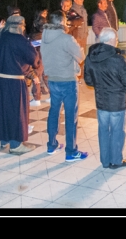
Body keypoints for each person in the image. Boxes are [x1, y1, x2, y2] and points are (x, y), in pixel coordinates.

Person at [41, 10, 89, 162]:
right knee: (70, 116)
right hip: (68, 80)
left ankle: (51, 144)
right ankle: (71, 151)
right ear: (62, 22)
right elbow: (81, 57)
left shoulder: (44, 37)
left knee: (54, 111)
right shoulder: (66, 38)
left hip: (53, 79)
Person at [84, 27, 126, 168]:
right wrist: (125, 89)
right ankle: (116, 160)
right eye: (116, 39)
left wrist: (101, 85)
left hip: (101, 101)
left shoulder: (91, 57)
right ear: (112, 40)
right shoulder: (117, 59)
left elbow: (88, 80)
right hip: (117, 102)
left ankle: (105, 161)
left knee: (103, 131)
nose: (117, 41)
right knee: (117, 132)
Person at [0, 15, 39, 154]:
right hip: (13, 81)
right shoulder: (18, 39)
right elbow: (33, 57)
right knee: (16, 112)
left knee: (2, 111)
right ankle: (16, 145)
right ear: (20, 26)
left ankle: (4, 141)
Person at [28, 9, 50, 106]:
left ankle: (36, 98)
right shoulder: (46, 34)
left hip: (39, 57)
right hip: (45, 56)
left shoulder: (35, 35)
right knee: (46, 76)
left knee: (36, 76)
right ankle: (53, 96)